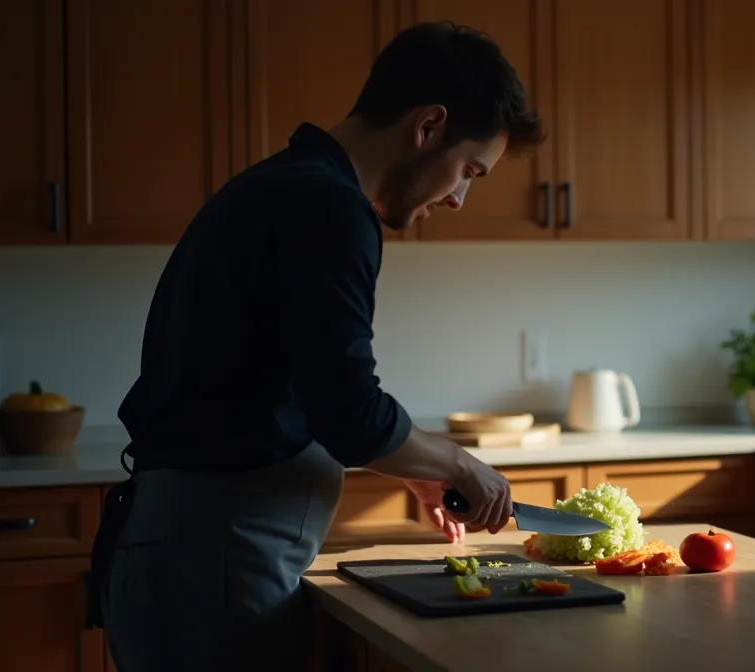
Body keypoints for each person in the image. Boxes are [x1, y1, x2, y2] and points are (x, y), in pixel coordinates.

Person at [86, 20, 546, 672]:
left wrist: (413, 466)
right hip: (215, 566)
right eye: (468, 170)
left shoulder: (287, 186)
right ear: (427, 126)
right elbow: (350, 414)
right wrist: (455, 463)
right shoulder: (330, 208)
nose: (460, 198)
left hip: (195, 558)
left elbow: (296, 388)